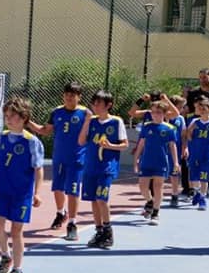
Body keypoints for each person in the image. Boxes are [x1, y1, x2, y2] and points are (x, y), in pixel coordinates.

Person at [26, 81, 89, 240]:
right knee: (57, 189)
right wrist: (27, 122)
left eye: (72, 95)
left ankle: (73, 223)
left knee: (73, 190)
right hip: (59, 158)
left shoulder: (86, 113)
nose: (69, 98)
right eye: (67, 95)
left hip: (77, 158)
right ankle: (61, 213)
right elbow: (44, 131)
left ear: (79, 97)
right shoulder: (56, 112)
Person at [0, 97, 45, 273]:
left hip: (22, 193)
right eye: (6, 116)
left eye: (13, 116)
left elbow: (39, 168)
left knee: (16, 231)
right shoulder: (3, 137)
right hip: (4, 191)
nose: (8, 119)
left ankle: (18, 271)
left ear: (23, 118)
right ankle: (6, 256)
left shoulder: (31, 142)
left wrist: (37, 193)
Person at [81, 90, 126, 249]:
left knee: (101, 199)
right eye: (94, 103)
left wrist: (110, 146)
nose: (95, 106)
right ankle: (99, 231)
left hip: (106, 167)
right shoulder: (91, 122)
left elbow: (124, 144)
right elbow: (81, 141)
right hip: (90, 166)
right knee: (93, 199)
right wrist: (86, 122)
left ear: (108, 105)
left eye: (99, 103)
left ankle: (108, 231)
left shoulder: (116, 122)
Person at [134, 97, 180, 225]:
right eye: (153, 112)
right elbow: (141, 143)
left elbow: (172, 146)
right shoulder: (146, 127)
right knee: (142, 185)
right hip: (146, 160)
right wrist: (136, 158)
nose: (155, 115)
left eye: (158, 112)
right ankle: (149, 201)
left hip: (161, 162)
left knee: (158, 187)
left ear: (164, 114)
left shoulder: (169, 128)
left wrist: (176, 162)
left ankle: (155, 212)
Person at [184, 98, 209, 211]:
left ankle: (202, 198)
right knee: (194, 176)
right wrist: (190, 133)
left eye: (204, 109)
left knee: (204, 175)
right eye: (200, 109)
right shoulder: (195, 122)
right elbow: (188, 134)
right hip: (195, 152)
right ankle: (196, 192)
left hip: (207, 153)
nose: (202, 111)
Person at [166, 96, 188, 206]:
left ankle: (174, 195)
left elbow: (184, 135)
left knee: (175, 172)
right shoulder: (165, 116)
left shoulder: (181, 119)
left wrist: (185, 147)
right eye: (180, 107)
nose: (182, 109)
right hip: (163, 148)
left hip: (176, 148)